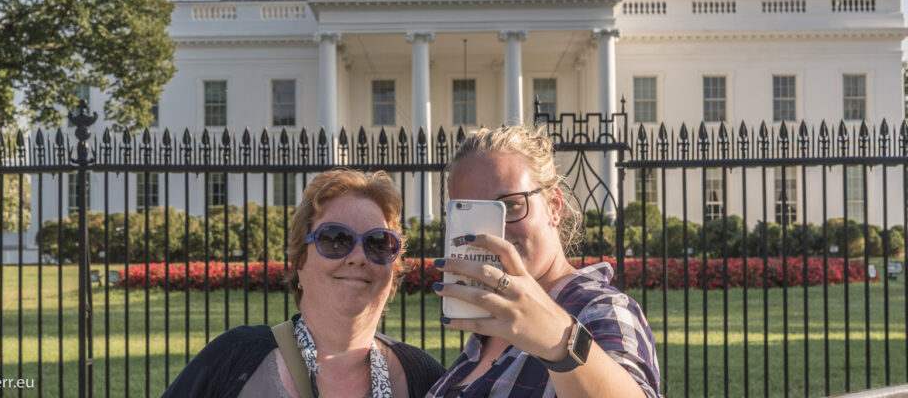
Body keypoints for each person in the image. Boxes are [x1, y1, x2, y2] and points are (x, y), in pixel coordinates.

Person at [163, 169, 445, 398]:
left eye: (378, 243)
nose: (358, 257)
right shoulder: (233, 360)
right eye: (335, 239)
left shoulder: (423, 378)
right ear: (300, 261)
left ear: (393, 268)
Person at [427, 125, 660, 398]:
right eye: (473, 212)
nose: (492, 232)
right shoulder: (484, 333)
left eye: (511, 205)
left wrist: (557, 340)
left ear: (554, 207)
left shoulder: (600, 310)